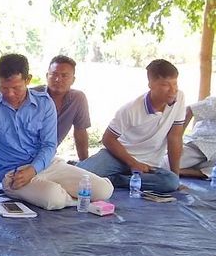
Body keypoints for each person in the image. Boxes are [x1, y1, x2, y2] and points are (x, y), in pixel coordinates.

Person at [0, 54, 114, 210]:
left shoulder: (44, 104)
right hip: (12, 174)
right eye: (4, 88)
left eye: (16, 87)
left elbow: (49, 145)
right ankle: (79, 202)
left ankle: (65, 195)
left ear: (28, 80)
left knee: (103, 190)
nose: (9, 93)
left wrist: (34, 169)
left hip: (46, 164)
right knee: (53, 198)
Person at [76, 59, 187, 193]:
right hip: (118, 156)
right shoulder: (130, 109)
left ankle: (113, 180)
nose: (173, 90)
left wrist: (176, 177)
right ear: (150, 84)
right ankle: (113, 177)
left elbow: (175, 137)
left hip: (148, 163)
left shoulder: (179, 98)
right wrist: (133, 163)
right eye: (165, 85)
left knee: (170, 182)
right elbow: (108, 139)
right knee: (79, 175)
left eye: (175, 83)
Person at [30, 55, 92, 160]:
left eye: (64, 76)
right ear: (47, 76)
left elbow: (80, 131)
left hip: (44, 157)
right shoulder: (31, 96)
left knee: (87, 175)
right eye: (54, 74)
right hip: (16, 151)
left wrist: (84, 162)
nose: (58, 79)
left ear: (73, 80)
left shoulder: (77, 99)